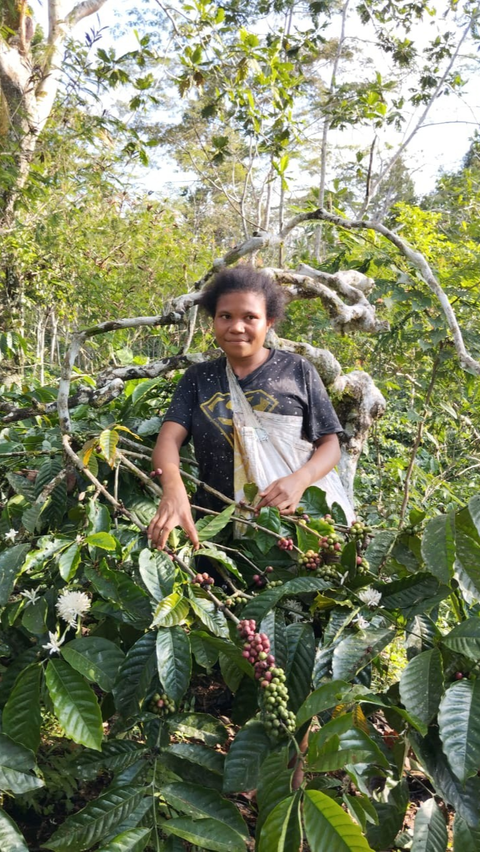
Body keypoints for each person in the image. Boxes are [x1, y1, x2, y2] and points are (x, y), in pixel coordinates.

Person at [147, 266, 346, 551]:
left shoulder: (297, 370)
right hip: (214, 531)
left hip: (293, 531)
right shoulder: (198, 378)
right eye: (225, 316)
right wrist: (173, 488)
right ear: (213, 321)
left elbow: (330, 444)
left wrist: (300, 480)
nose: (236, 327)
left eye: (250, 317)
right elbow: (168, 440)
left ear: (269, 322)